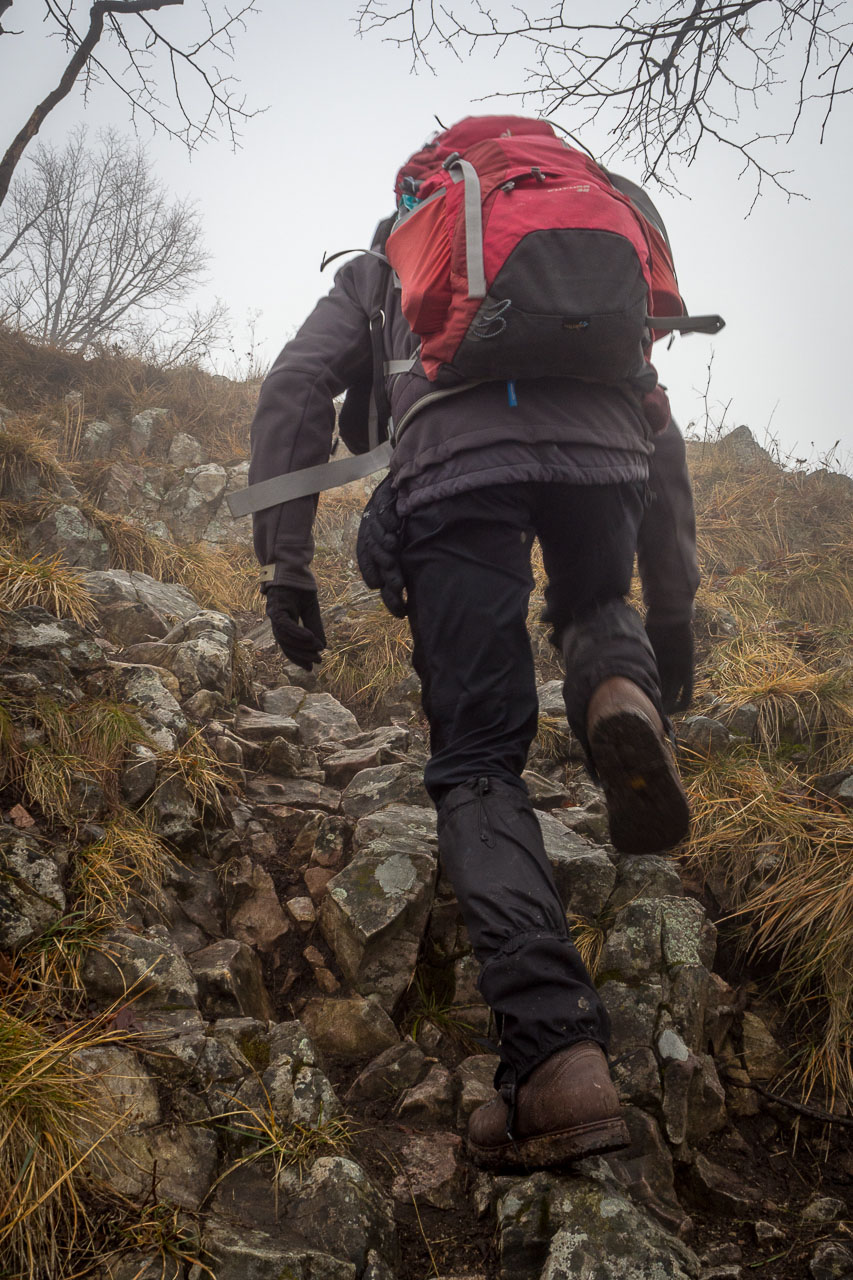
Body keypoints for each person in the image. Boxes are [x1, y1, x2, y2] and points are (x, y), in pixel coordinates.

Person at [246, 116, 699, 1172]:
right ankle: (615, 693)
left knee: (480, 764)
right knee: (593, 600)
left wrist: (283, 561)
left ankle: (555, 1060)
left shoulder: (386, 265)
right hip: (604, 455)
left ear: (430, 206)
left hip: (457, 479)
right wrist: (669, 626)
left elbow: (292, 390)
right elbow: (660, 432)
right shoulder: (591, 266)